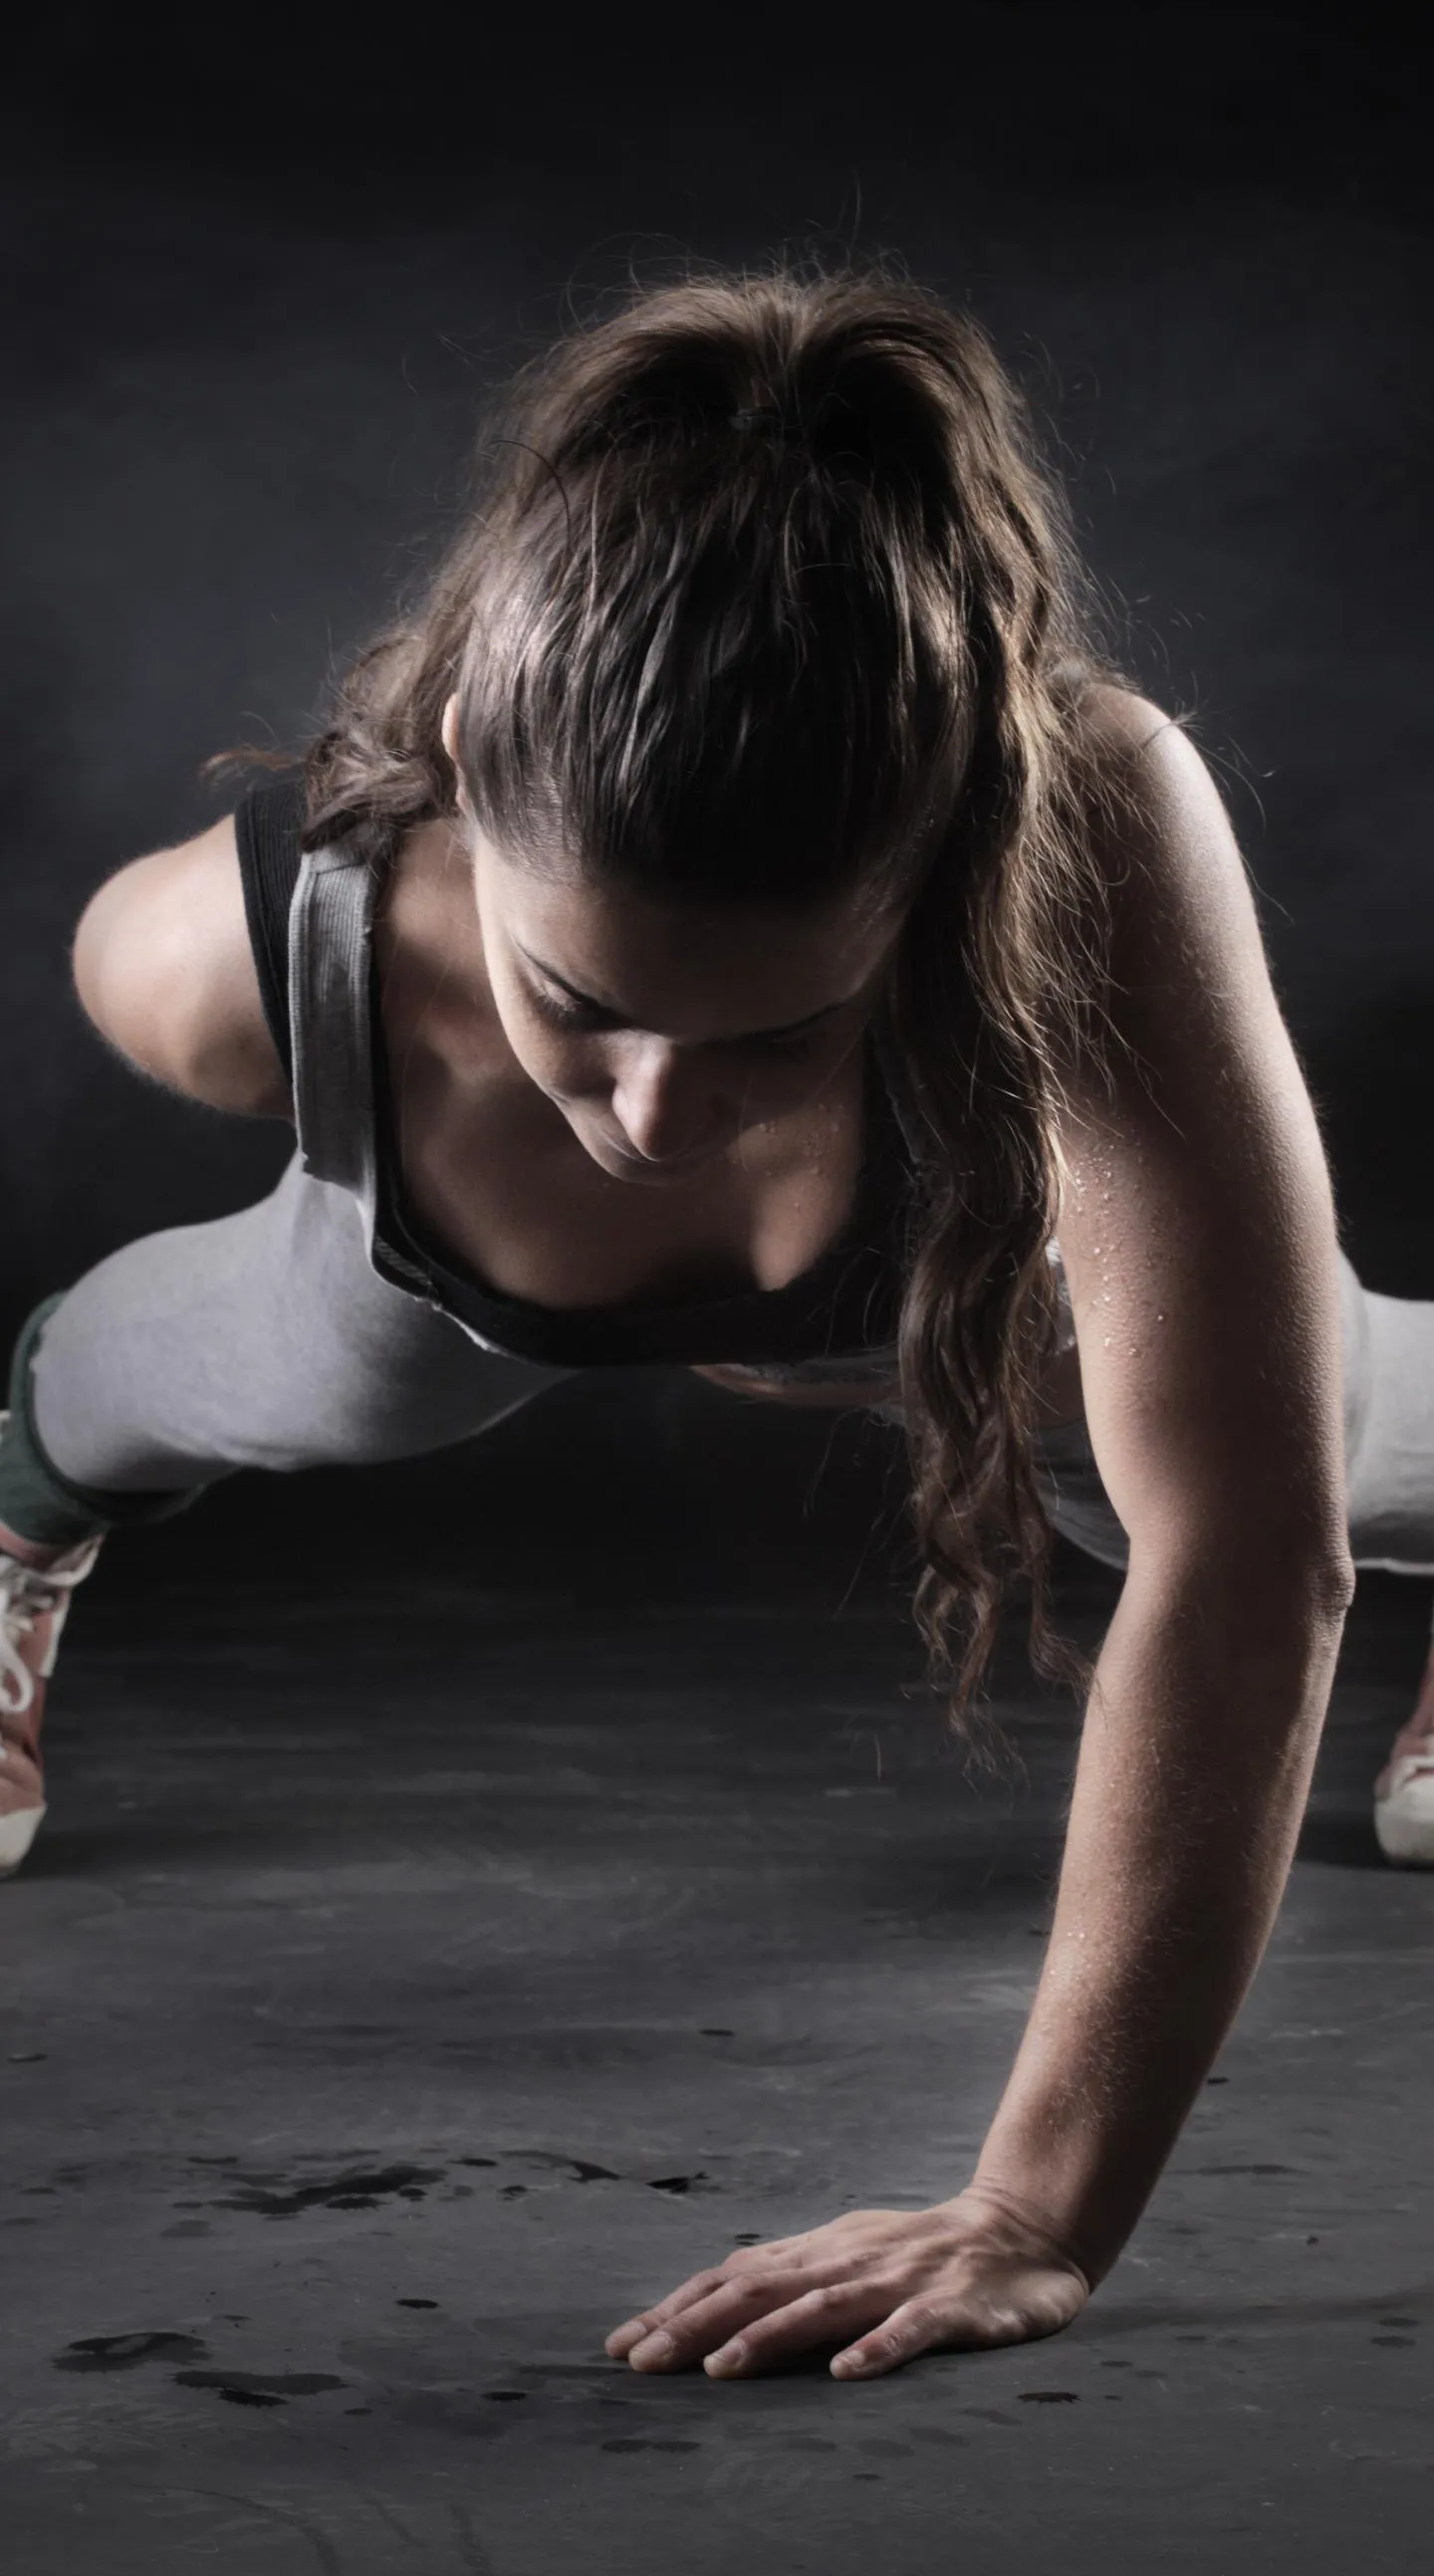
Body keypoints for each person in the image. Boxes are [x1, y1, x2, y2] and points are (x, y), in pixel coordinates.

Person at [2, 263, 1432, 2391]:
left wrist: (1039, 2207)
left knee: (1276, 1445)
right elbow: (135, 980)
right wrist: (377, 1074)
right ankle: (17, 1509)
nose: (658, 1120)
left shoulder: (1084, 815)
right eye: (578, 1002)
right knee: (301, 1369)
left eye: (776, 1031)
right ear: (468, 772)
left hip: (998, 1298)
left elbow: (1249, 1555)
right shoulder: (279, 932)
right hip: (450, 1268)